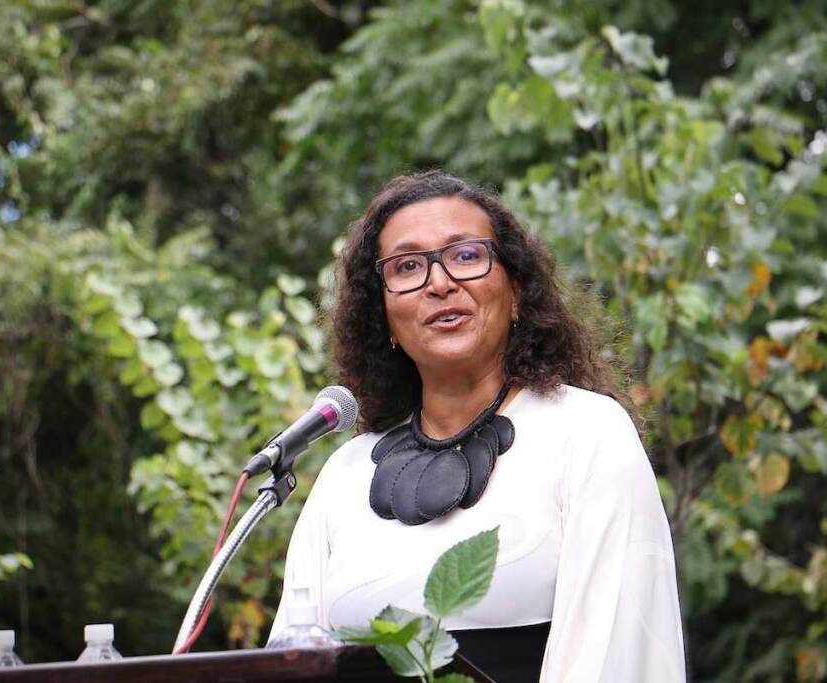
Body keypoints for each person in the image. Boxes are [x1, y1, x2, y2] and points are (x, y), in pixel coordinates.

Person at [267, 171, 685, 682]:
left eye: (465, 255)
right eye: (407, 266)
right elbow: (289, 662)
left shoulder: (587, 433)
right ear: (385, 320)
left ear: (515, 295)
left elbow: (618, 655)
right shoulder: (343, 476)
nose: (439, 283)